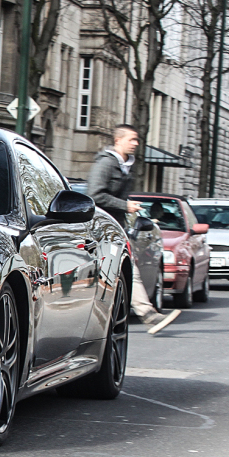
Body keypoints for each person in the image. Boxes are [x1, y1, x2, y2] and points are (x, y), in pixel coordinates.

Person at [87, 124, 180, 334]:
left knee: (120, 272)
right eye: (132, 139)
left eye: (137, 140)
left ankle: (142, 315)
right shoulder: (106, 164)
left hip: (114, 227)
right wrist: (125, 205)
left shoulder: (124, 164)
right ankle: (147, 315)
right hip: (102, 229)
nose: (136, 144)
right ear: (118, 140)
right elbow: (94, 194)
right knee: (125, 271)